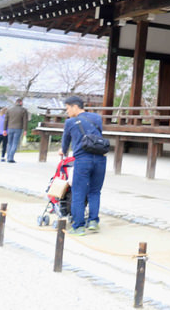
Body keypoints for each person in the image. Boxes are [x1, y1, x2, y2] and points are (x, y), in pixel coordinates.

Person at [59, 96, 107, 236]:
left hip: (82, 160)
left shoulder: (70, 122)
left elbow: (65, 143)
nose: (67, 112)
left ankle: (78, 226)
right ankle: (93, 222)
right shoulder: (97, 118)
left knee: (78, 192)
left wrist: (63, 150)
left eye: (67, 108)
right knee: (94, 191)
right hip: (100, 159)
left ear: (75, 106)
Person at [4, 98, 28, 163]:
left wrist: (4, 129)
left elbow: (6, 120)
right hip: (18, 128)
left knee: (9, 143)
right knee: (15, 143)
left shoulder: (9, 110)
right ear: (20, 103)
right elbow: (25, 121)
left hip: (9, 128)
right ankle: (10, 158)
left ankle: (8, 157)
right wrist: (25, 130)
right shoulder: (23, 110)